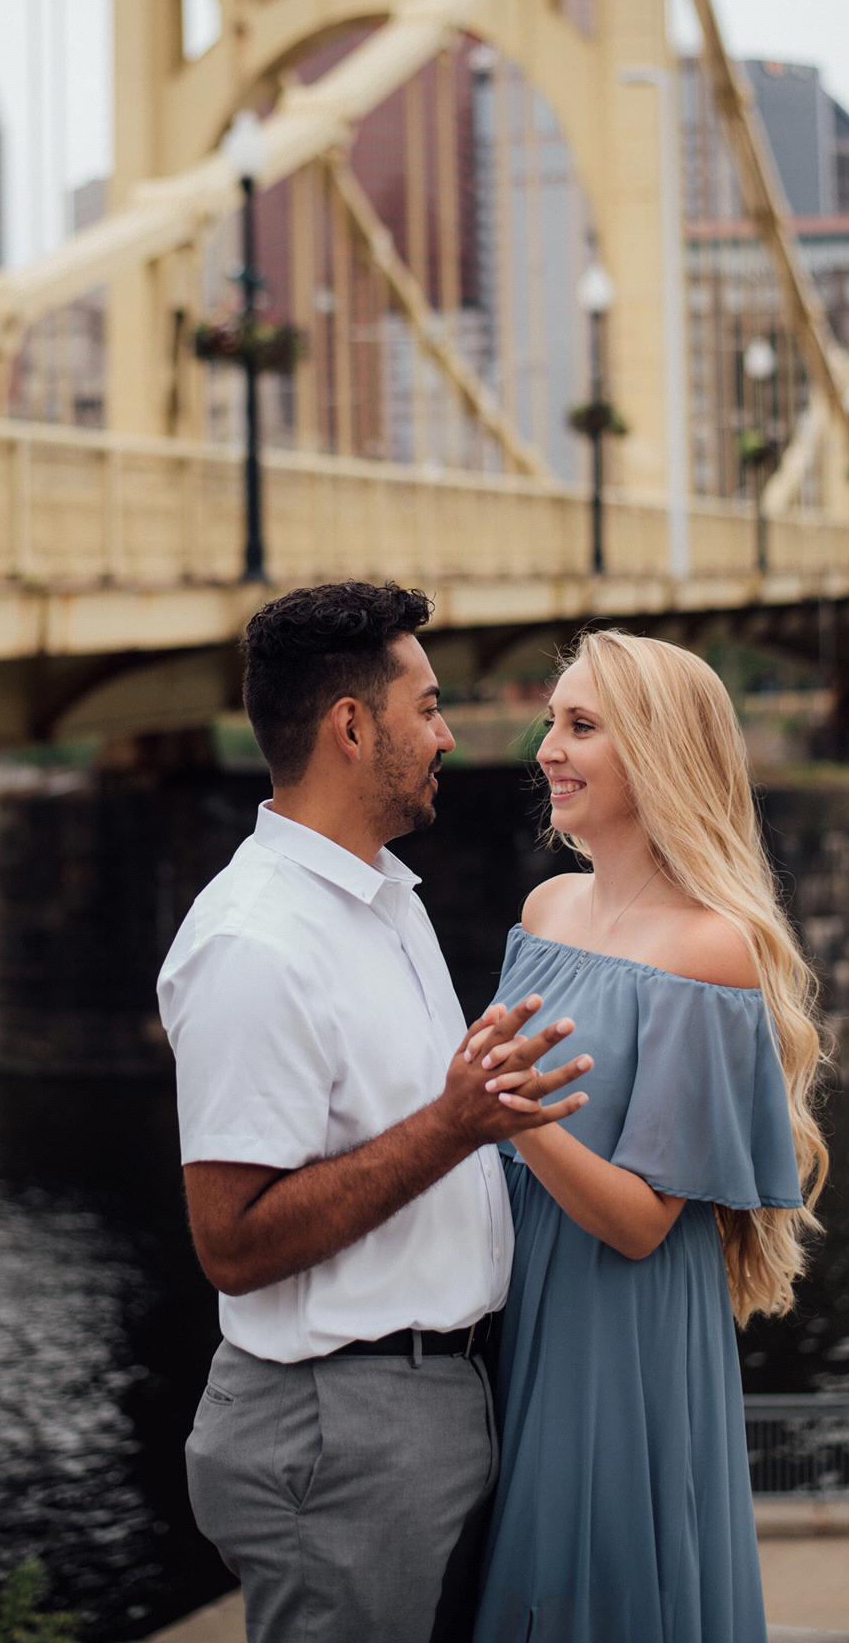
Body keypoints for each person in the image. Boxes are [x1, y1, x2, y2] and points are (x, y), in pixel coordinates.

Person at [157, 580, 594, 1643]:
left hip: (425, 1399)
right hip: (339, 1426)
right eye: (429, 706)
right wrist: (454, 1123)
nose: (448, 733)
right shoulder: (254, 942)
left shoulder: (378, 895)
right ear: (352, 726)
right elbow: (231, 1241)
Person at [468, 628, 829, 1643]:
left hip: (616, 1320)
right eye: (551, 719)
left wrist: (509, 1114)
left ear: (659, 752)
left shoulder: (708, 947)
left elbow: (640, 1221)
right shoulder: (544, 908)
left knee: (591, 1582)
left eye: (580, 724)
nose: (547, 746)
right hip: (514, 1290)